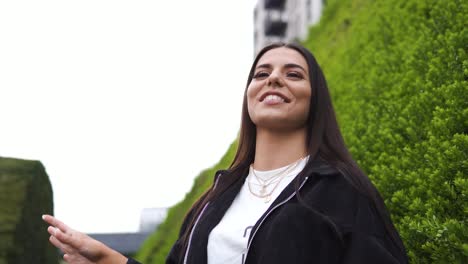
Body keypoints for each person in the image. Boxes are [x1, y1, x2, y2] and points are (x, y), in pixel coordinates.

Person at [43, 42, 409, 264]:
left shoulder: (341, 189)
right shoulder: (213, 202)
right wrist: (110, 258)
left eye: (293, 74)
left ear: (316, 102)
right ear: (249, 95)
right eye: (261, 73)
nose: (273, 79)